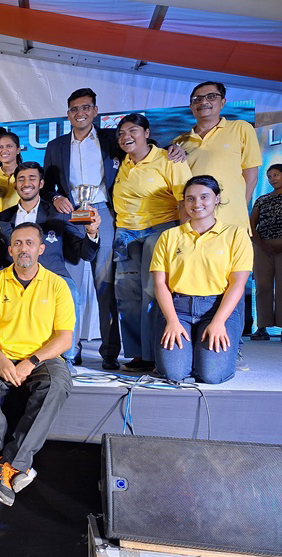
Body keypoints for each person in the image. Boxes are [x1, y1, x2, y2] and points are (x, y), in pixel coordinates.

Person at [0, 222, 75, 506]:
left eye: (29, 243)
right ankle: (12, 462)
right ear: (10, 250)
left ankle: (8, 463)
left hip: (42, 357)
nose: (23, 248)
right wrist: (1, 359)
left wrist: (32, 361)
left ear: (41, 249)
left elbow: (65, 338)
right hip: (0, 353)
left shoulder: (58, 284)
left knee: (58, 383)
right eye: (17, 243)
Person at [42, 88, 123, 370]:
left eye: (86, 107)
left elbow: (142, 145)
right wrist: (56, 197)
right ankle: (70, 349)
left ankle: (110, 352)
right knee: (70, 285)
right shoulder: (56, 145)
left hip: (102, 211)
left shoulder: (111, 138)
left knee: (105, 283)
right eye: (75, 109)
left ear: (95, 111)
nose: (80, 113)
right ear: (68, 114)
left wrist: (173, 149)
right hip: (69, 212)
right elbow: (47, 186)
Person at [151, 176, 252, 383]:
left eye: (204, 197)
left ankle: (209, 354)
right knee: (174, 374)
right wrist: (172, 321)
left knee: (212, 375)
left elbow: (238, 283)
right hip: (178, 308)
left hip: (217, 307)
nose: (197, 203)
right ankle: (188, 353)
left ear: (217, 198)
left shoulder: (236, 234)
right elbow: (160, 283)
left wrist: (219, 321)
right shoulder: (169, 236)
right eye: (190, 198)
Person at [113, 113, 192, 372]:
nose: (126, 137)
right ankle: (137, 354)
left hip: (159, 229)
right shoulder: (121, 163)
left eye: (133, 131)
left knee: (153, 292)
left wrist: (184, 236)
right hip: (125, 233)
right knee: (127, 295)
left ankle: (157, 353)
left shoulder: (169, 159)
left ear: (147, 133)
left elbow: (184, 200)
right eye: (121, 133)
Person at [0, 162, 100, 364]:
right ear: (15, 184)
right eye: (21, 179)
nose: (26, 183)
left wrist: (92, 232)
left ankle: (68, 357)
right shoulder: (4, 217)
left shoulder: (58, 213)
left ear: (41, 183)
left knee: (71, 291)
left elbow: (83, 253)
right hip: (14, 276)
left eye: (32, 178)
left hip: (53, 275)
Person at [172, 82, 262, 231]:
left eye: (211, 96)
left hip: (231, 222)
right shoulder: (180, 142)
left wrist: (239, 209)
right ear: (191, 107)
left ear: (223, 102)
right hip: (193, 223)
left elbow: (251, 176)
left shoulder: (241, 128)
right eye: (197, 99)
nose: (204, 102)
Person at [251, 164, 282, 340]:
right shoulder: (262, 200)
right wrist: (261, 244)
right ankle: (262, 327)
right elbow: (252, 224)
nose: (272, 179)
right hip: (263, 247)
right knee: (262, 286)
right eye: (269, 176)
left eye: (276, 175)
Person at [0, 132, 24, 212]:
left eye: (9, 146)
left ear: (18, 150)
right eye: (0, 147)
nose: (4, 150)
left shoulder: (25, 175)